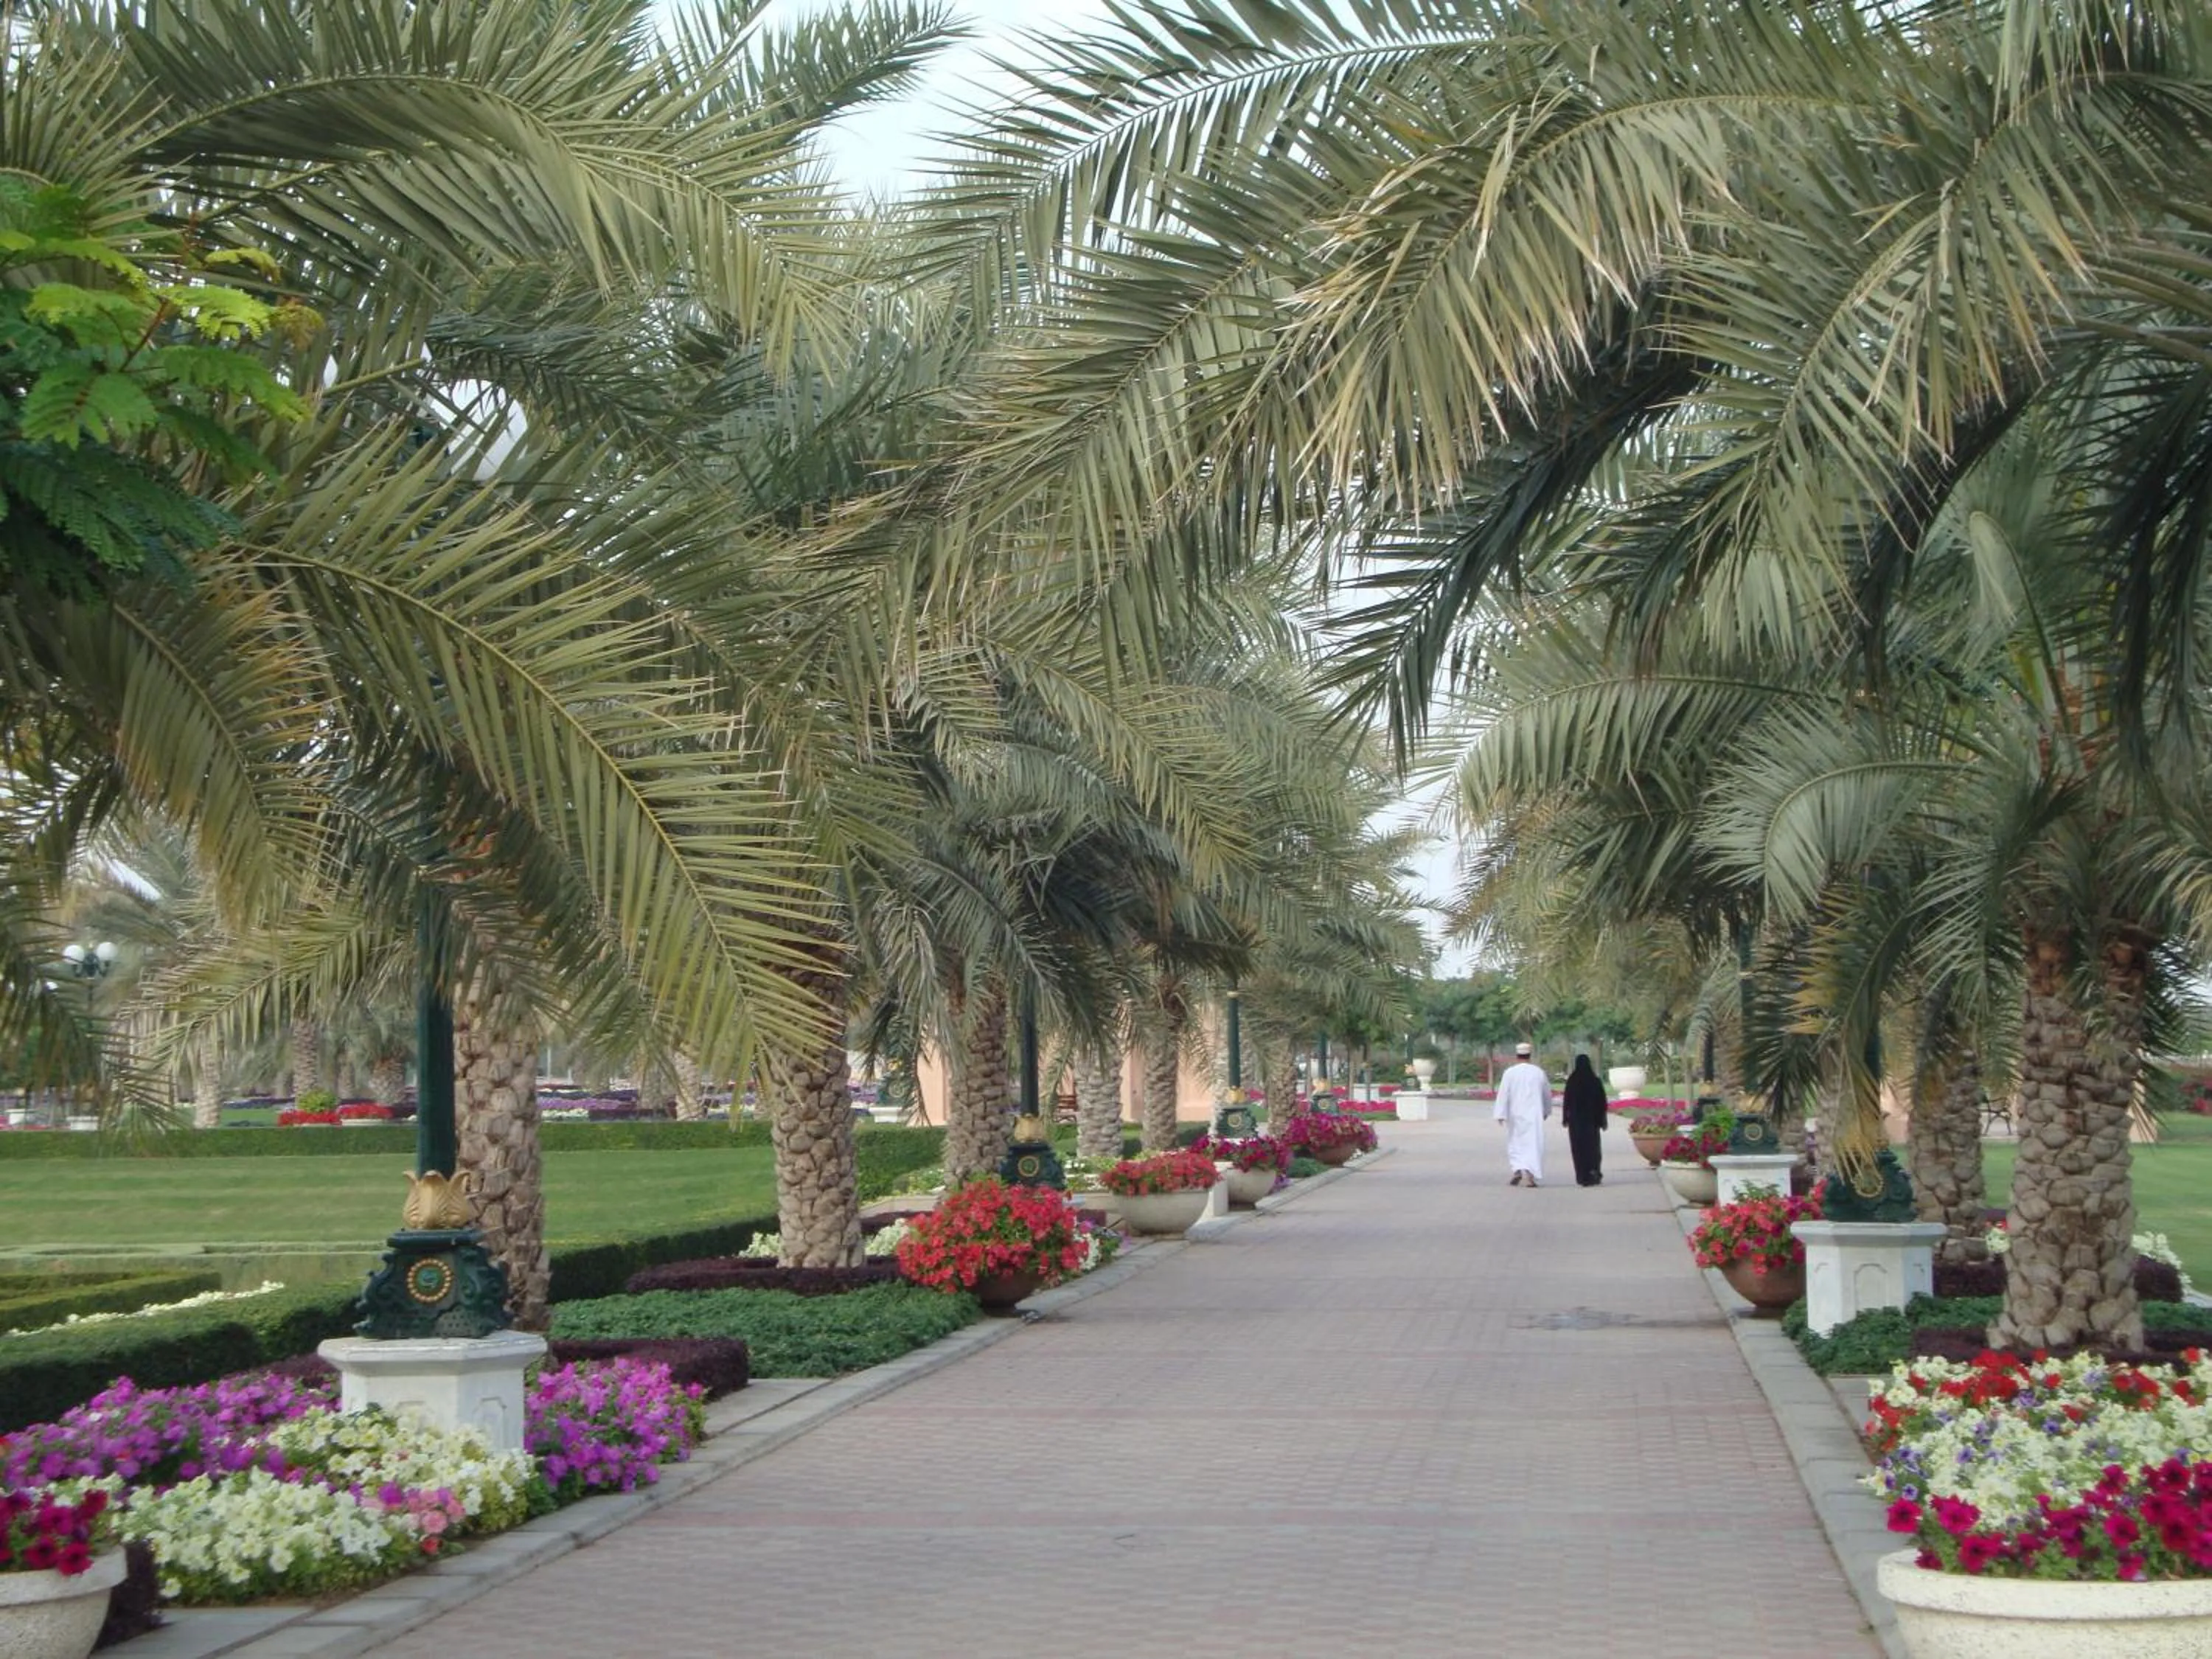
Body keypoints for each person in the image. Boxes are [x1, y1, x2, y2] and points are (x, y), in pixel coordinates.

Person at [1494, 1042, 1551, 1187]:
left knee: (1516, 1142)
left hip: (1515, 1114)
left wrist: (1501, 1113)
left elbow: (1503, 1094)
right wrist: (1546, 1111)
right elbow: (1546, 1094)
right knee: (1533, 1144)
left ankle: (1517, 1170)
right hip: (1534, 1115)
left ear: (1517, 1056)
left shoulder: (1510, 1073)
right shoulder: (1538, 1072)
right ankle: (1530, 1176)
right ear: (1529, 1055)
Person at [1562, 1053, 1607, 1186]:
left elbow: (1567, 1102)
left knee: (1578, 1149)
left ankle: (1582, 1176)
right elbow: (1602, 1103)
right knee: (1593, 1148)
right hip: (1592, 1121)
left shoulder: (1572, 1081)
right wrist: (1603, 1120)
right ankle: (1594, 1172)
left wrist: (1565, 1118)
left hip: (1576, 1122)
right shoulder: (1595, 1081)